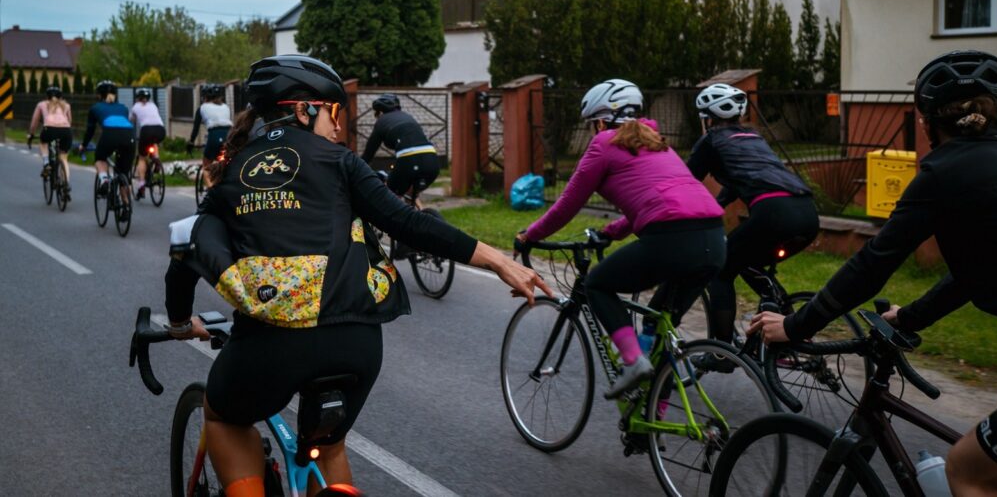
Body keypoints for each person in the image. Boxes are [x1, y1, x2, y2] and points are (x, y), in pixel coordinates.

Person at [164, 55, 552, 497]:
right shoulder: (340, 162)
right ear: (302, 109)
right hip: (356, 343)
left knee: (225, 419)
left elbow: (187, 250)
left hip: (270, 344)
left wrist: (179, 323)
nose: (337, 127)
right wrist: (498, 260)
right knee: (327, 447)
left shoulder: (231, 173)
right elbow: (408, 223)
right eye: (333, 113)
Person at [749, 50, 997, 496]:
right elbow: (974, 274)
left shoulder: (942, 174)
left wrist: (796, 325)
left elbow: (872, 264)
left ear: (925, 125)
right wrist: (910, 318)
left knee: (970, 471)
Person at [516, 79, 725, 399]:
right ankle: (654, 425)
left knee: (597, 283)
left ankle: (632, 362)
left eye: (592, 124)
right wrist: (611, 232)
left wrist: (530, 235)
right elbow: (663, 200)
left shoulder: (603, 144)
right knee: (657, 332)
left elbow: (566, 206)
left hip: (672, 239)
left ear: (600, 120)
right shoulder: (659, 144)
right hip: (714, 238)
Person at [687, 83, 820, 350]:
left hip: (773, 214)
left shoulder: (711, 140)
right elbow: (738, 184)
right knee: (750, 264)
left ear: (707, 118)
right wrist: (716, 207)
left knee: (721, 271)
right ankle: (789, 334)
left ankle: (721, 352)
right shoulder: (753, 139)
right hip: (807, 213)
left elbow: (685, 183)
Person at [360, 93, 440, 201]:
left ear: (380, 112)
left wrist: (358, 169)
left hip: (409, 161)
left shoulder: (381, 122)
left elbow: (369, 154)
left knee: (389, 195)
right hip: (432, 161)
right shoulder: (408, 117)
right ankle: (422, 215)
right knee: (410, 196)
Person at [79, 80, 134, 198]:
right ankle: (126, 206)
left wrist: (84, 145)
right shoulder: (123, 108)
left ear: (99, 95)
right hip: (129, 136)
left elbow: (90, 130)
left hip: (110, 135)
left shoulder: (95, 108)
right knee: (123, 173)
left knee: (100, 158)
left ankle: (104, 180)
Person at [29, 85, 73, 198]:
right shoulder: (66, 105)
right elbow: (70, 121)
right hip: (66, 131)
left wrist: (31, 134)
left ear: (46, 96)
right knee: (63, 158)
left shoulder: (42, 104)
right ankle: (66, 183)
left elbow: (34, 122)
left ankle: (46, 163)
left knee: (43, 142)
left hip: (49, 129)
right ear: (61, 96)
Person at [130, 88, 166, 199]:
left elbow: (131, 120)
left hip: (146, 131)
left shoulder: (135, 106)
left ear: (138, 98)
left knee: (142, 158)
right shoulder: (153, 105)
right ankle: (156, 159)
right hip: (160, 130)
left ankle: (141, 184)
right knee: (154, 142)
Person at [189, 84, 233, 169]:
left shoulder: (202, 108)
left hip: (214, 135)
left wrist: (191, 142)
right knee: (226, 164)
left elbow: (196, 129)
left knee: (207, 166)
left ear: (205, 97)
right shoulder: (225, 107)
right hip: (229, 135)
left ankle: (210, 182)